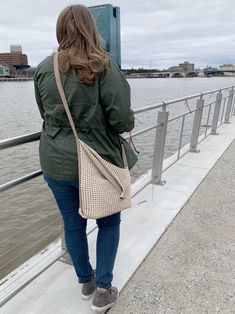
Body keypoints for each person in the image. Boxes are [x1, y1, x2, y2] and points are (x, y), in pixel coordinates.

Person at [34, 4, 137, 312]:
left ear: (60, 29)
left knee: (72, 223)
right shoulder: (103, 66)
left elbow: (46, 114)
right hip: (99, 160)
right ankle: (103, 290)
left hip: (54, 159)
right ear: (92, 29)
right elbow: (121, 121)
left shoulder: (43, 67)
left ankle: (86, 281)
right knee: (108, 222)